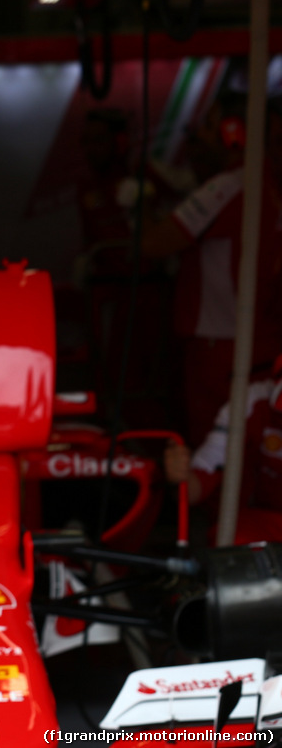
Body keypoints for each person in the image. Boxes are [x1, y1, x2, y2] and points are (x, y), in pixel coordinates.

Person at [142, 97, 282, 443]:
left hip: (221, 350)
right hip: (261, 342)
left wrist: (141, 202)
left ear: (232, 133)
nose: (198, 137)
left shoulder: (230, 185)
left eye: (207, 127)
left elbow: (152, 243)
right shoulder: (269, 181)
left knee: (215, 457)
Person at [164, 360, 282, 544]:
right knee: (233, 543)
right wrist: (179, 473)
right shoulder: (252, 402)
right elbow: (195, 484)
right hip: (264, 526)